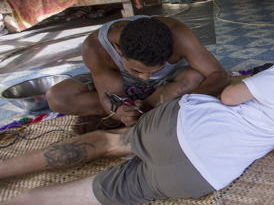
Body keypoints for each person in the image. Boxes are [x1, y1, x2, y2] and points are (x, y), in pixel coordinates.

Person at [0, 18, 274, 205]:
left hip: (180, 126)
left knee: (107, 142)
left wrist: (157, 102)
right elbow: (109, 93)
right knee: (48, 201)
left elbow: (230, 92)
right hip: (201, 176)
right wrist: (119, 109)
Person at [46, 15, 230, 128]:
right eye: (137, 70)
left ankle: (126, 116)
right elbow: (110, 95)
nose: (145, 77)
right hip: (122, 84)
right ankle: (142, 115)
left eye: (153, 70)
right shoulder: (96, 47)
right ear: (118, 49)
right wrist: (120, 111)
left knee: (194, 78)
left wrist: (191, 101)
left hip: (169, 84)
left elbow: (219, 75)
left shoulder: (178, 34)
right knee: (58, 97)